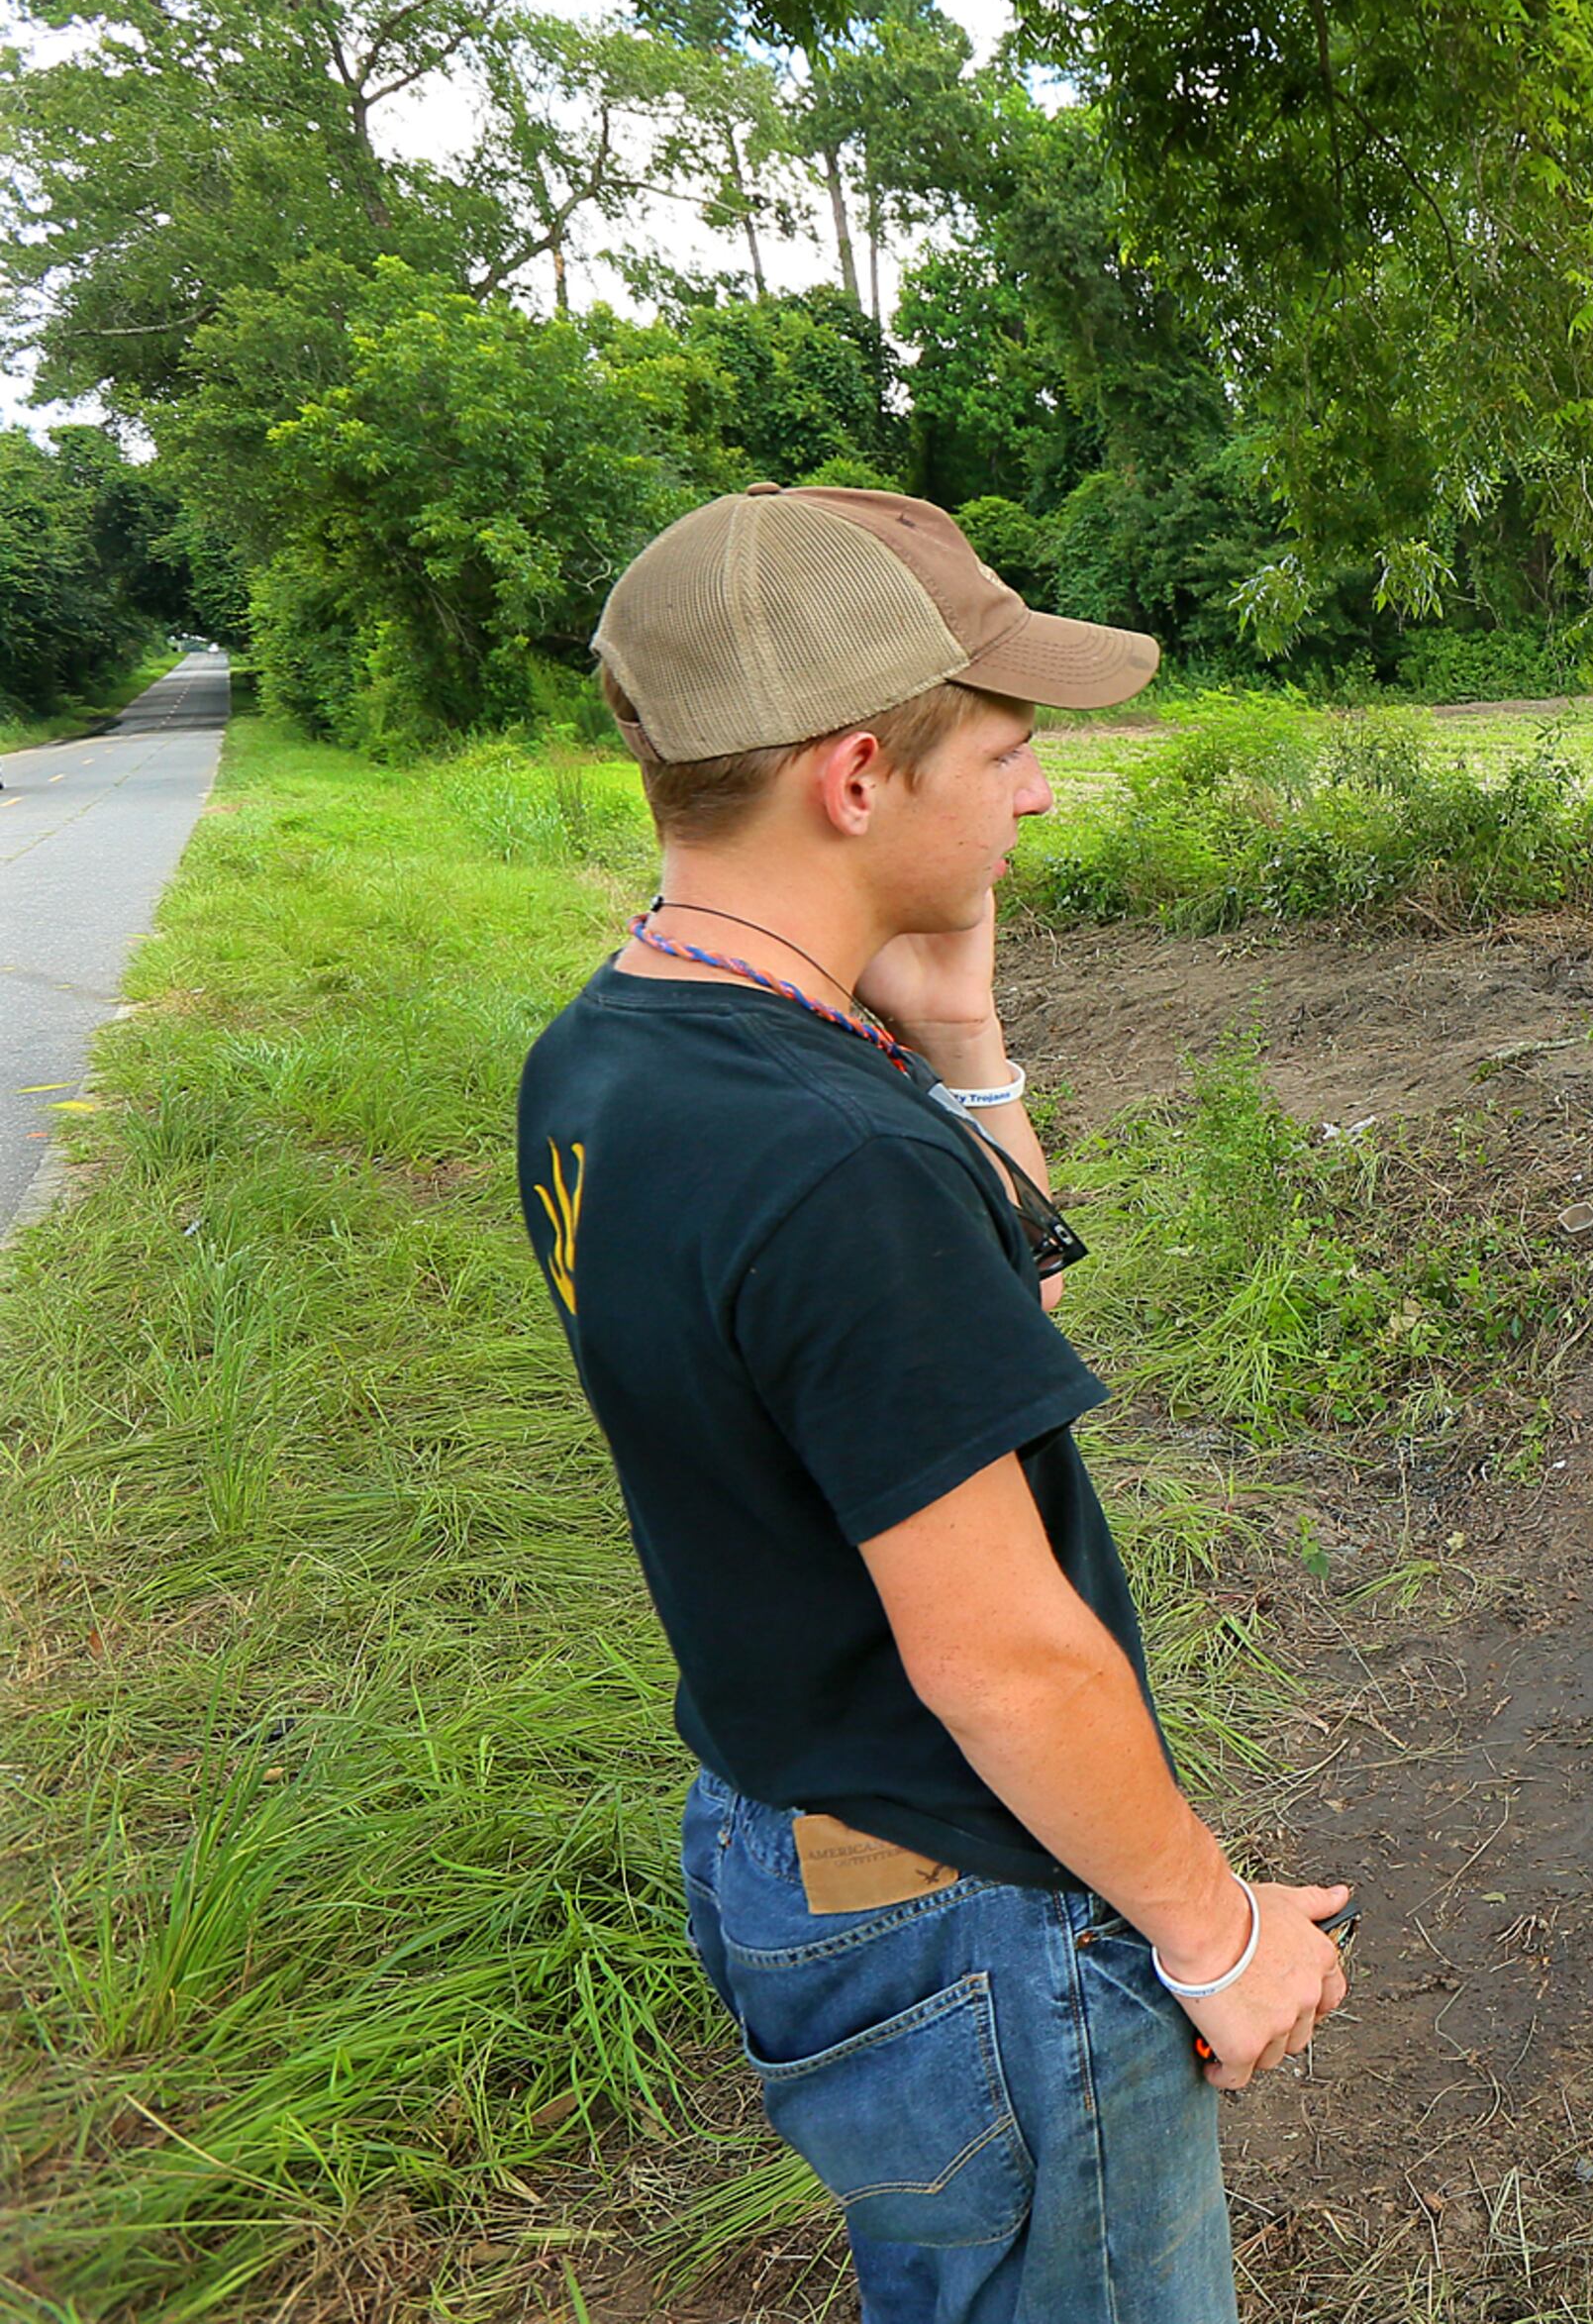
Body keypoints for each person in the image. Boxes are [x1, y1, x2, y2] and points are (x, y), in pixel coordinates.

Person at [517, 481, 1346, 2320]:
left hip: (790, 1835)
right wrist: (1215, 1938)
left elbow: (999, 1288)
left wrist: (961, 1040)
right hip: (963, 1890)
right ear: (861, 774)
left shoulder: (614, 1056)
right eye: (1013, 742)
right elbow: (1005, 1660)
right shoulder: (821, 1159)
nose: (1040, 787)